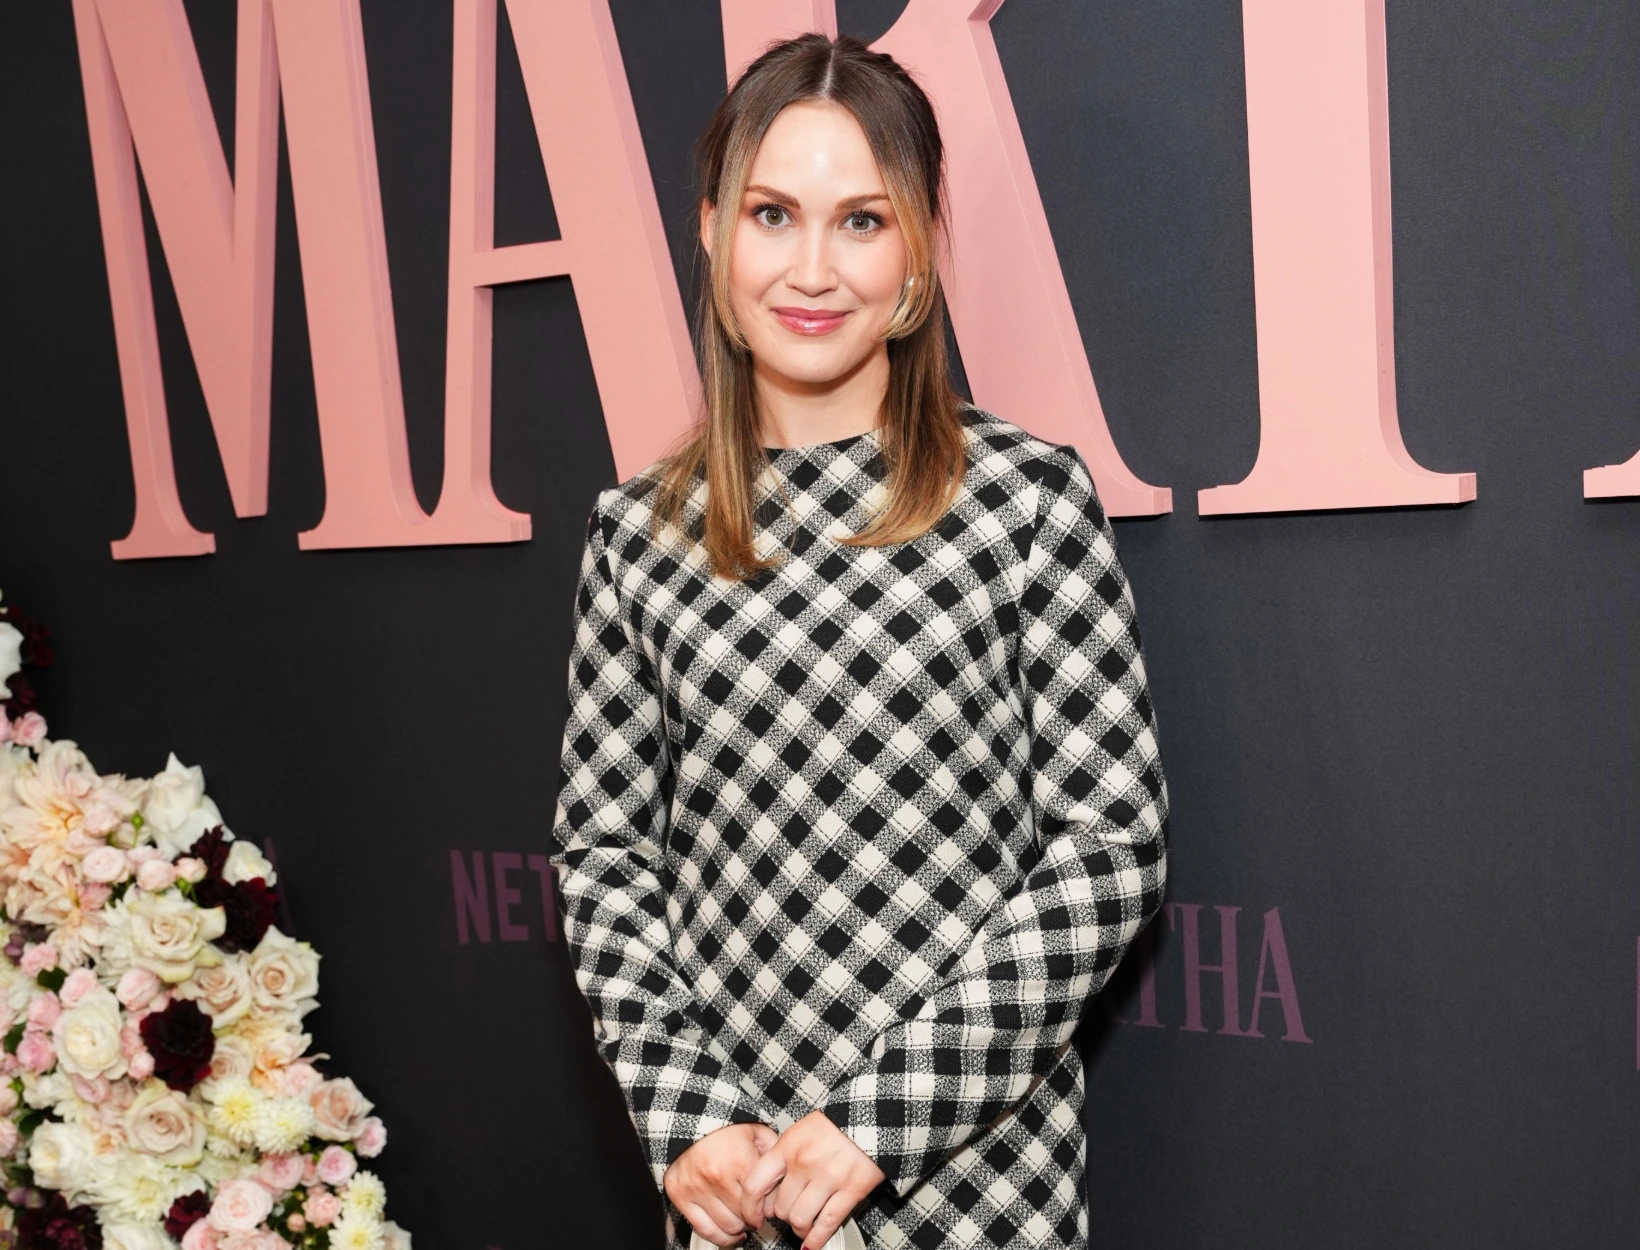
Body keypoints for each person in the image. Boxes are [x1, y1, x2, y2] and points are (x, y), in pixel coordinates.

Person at [547, 32, 1168, 1250]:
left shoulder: (1025, 500)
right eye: (774, 215)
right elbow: (602, 850)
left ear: (920, 254)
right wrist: (684, 1113)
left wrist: (880, 1119)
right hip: (733, 1196)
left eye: (861, 221)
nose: (812, 267)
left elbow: (1110, 847)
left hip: (978, 1186)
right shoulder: (639, 533)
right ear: (711, 231)